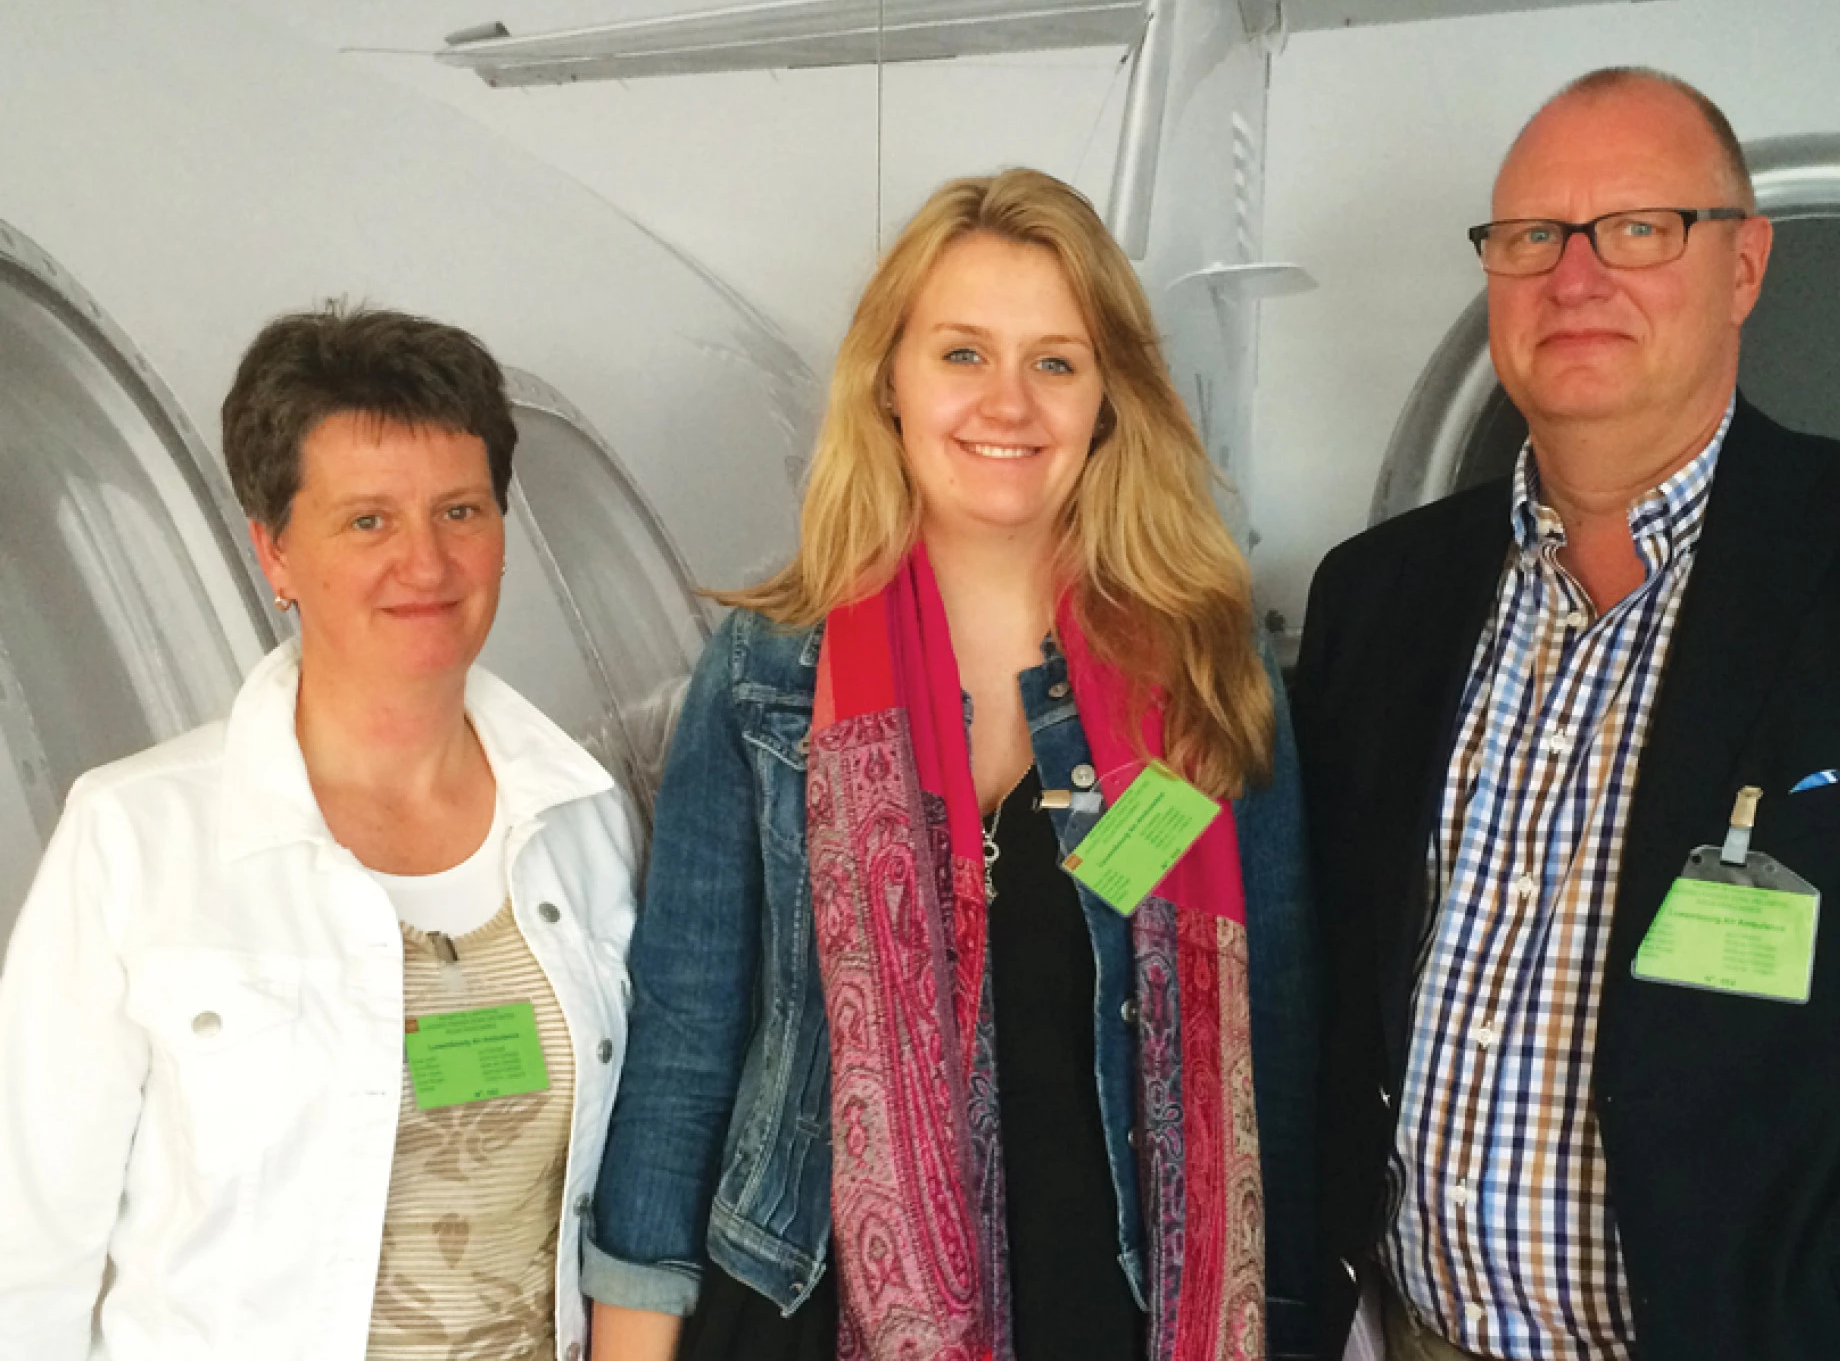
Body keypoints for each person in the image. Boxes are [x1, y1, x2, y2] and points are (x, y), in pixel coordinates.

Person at [584, 168, 1319, 1361]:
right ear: (890, 380)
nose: (1009, 403)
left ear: (1110, 398)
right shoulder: (767, 673)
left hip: (1131, 1311)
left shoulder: (1211, 677)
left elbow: (1276, 1033)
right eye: (964, 354)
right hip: (806, 1311)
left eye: (1057, 361)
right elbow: (684, 1038)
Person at [1295, 66, 1840, 1361]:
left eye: (1638, 227)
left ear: (1744, 265)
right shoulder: (1376, 600)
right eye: (1531, 237)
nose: (1574, 278)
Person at [0, 305, 640, 1361]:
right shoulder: (133, 838)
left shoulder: (578, 820)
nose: (426, 564)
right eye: (368, 521)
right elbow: (24, 1263)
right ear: (275, 552)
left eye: (461, 511)